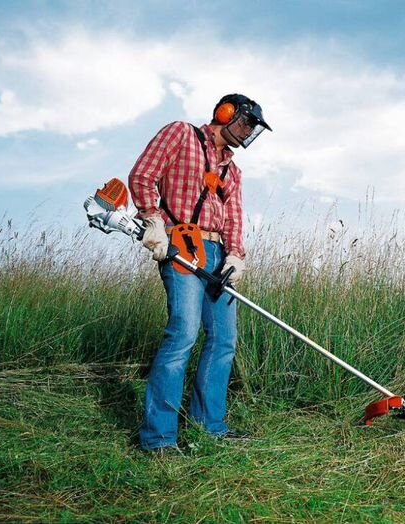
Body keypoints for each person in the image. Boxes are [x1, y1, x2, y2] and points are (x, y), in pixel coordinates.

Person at [128, 94, 272, 453]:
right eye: (247, 123)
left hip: (218, 254)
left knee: (224, 340)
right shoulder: (181, 134)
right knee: (183, 334)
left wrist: (236, 255)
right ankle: (158, 439)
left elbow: (234, 216)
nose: (249, 132)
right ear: (226, 114)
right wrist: (153, 221)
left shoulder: (232, 170)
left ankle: (211, 426)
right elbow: (142, 176)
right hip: (181, 243)